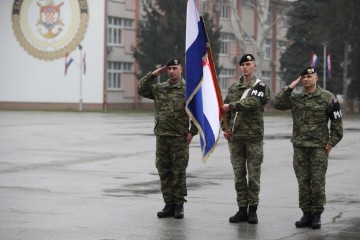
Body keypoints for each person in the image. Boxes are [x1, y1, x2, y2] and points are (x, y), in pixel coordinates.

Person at [273, 66, 343, 229]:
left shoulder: (328, 98)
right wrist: (290, 87)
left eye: (309, 76)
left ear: (316, 78)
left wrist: (331, 142)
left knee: (317, 182)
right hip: (300, 147)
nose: (306, 79)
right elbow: (277, 103)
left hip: (319, 147)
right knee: (303, 182)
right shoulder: (296, 98)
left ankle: (317, 215)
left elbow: (337, 125)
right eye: (303, 77)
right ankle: (306, 214)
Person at [137, 58, 198, 219]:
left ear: (181, 70)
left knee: (178, 172)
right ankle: (168, 204)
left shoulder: (188, 89)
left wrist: (192, 132)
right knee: (164, 171)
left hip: (179, 138)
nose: (172, 71)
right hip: (162, 137)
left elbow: (198, 112)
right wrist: (153, 74)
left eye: (175, 68)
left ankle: (179, 206)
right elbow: (141, 90)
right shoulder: (160, 88)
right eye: (169, 68)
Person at [221, 54, 270, 224]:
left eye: (248, 64)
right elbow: (224, 112)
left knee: (254, 176)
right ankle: (242, 209)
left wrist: (232, 105)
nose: (245, 67)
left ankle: (253, 210)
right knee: (239, 175)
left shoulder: (261, 85)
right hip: (236, 139)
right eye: (242, 65)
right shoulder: (234, 87)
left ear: (254, 66)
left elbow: (253, 102)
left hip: (254, 138)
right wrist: (225, 129)